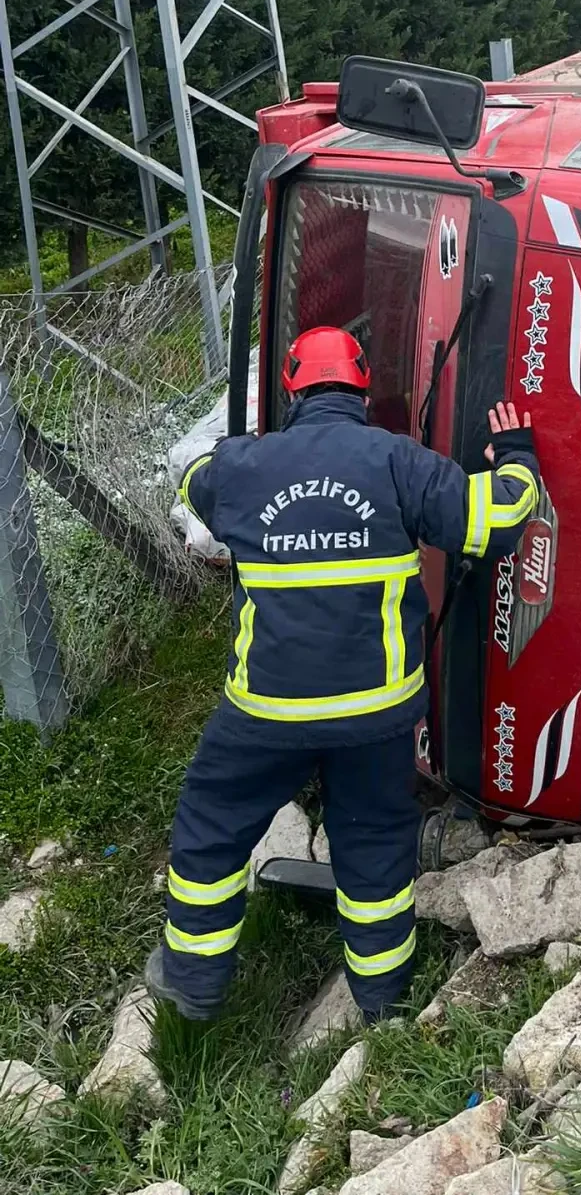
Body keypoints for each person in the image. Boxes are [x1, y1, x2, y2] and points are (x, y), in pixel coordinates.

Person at [145, 326, 539, 1023]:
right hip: (375, 713)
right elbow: (499, 518)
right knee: (374, 839)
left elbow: (188, 481)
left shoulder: (243, 466)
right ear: (363, 389)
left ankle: (194, 983)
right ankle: (384, 997)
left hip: (268, 712)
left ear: (292, 388)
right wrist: (516, 456)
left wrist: (244, 465)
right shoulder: (397, 461)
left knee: (212, 823)